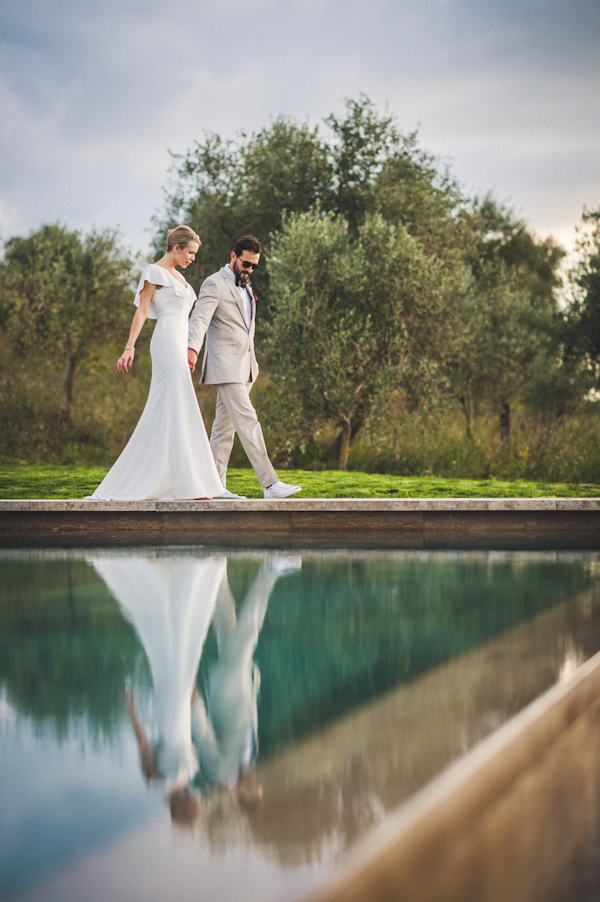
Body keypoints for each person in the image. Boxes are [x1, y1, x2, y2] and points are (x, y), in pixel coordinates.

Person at [88, 226, 228, 501]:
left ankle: (186, 482)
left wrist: (191, 348)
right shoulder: (154, 273)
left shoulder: (180, 278)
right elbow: (142, 311)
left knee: (177, 405)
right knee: (175, 402)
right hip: (165, 342)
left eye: (194, 254)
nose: (192, 258)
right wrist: (130, 347)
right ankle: (186, 485)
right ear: (176, 248)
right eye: (190, 252)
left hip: (180, 342)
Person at [187, 235, 301, 500]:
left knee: (223, 430)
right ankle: (270, 484)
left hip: (246, 368)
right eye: (246, 263)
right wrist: (192, 348)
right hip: (224, 367)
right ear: (233, 256)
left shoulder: (247, 288)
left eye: (254, 266)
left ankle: (213, 486)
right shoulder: (214, 283)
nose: (249, 269)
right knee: (249, 422)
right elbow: (200, 318)